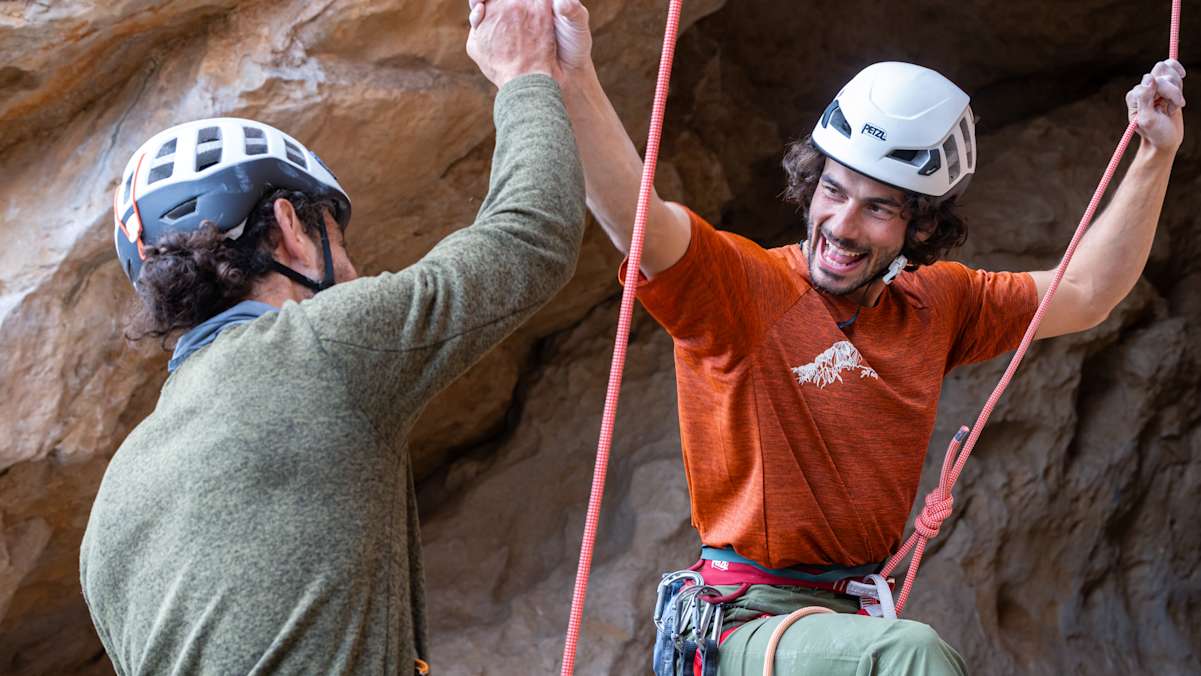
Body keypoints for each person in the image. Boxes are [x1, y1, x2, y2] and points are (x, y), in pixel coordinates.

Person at [469, 0, 1185, 673]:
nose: (842, 224)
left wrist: (1154, 154)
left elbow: (1086, 292)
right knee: (909, 658)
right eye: (833, 190)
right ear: (809, 185)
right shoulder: (749, 291)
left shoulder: (938, 305)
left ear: (921, 227)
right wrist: (569, 75)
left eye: (878, 208)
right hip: (747, 623)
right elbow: (640, 216)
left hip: (848, 616)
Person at [78, 2, 585, 673]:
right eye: (340, 243)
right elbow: (530, 237)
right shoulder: (318, 349)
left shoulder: (111, 507)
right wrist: (523, 72)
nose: (353, 271)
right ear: (289, 225)